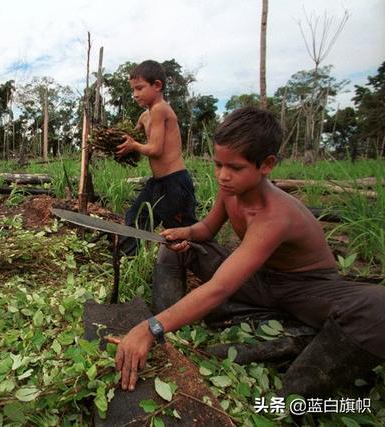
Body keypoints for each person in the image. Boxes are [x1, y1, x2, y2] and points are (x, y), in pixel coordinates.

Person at [110, 107, 385, 397]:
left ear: (266, 164)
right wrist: (185, 233)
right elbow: (207, 230)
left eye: (235, 168)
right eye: (218, 165)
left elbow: (219, 287)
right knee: (178, 251)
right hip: (258, 280)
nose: (223, 176)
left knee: (376, 309)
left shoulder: (275, 215)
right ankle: (174, 332)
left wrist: (149, 327)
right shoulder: (229, 191)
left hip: (305, 291)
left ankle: (293, 385)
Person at [116, 60, 197, 259]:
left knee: (181, 233)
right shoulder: (145, 116)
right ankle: (130, 264)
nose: (135, 94)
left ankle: (201, 270)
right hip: (158, 183)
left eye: (140, 88)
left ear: (157, 85)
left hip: (175, 182)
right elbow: (130, 137)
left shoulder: (161, 109)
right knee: (135, 218)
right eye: (133, 89)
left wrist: (134, 145)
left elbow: (155, 149)